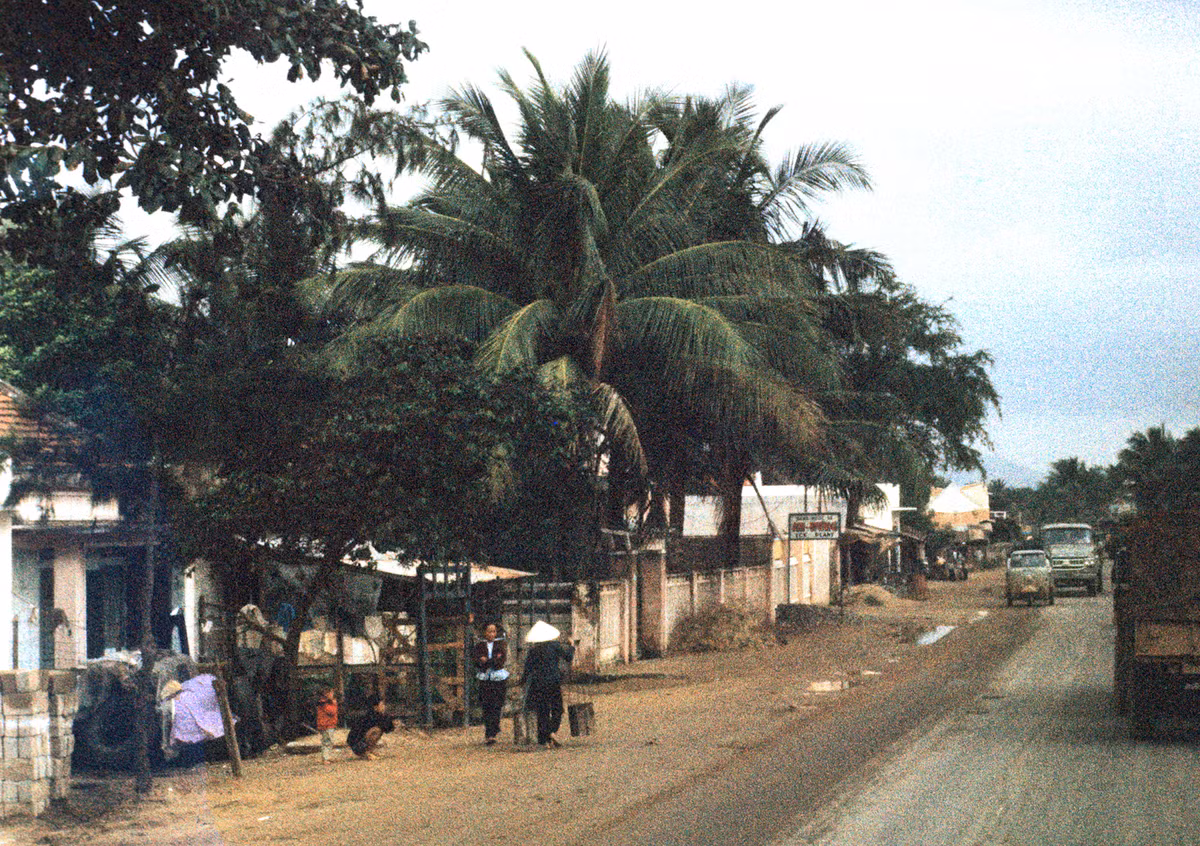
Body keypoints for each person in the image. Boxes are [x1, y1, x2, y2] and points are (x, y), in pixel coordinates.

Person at [522, 620, 575, 748]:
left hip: (538, 684)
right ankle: (552, 731)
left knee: (542, 710)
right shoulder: (555, 646)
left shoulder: (533, 650)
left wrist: (522, 683)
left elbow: (527, 670)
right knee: (557, 708)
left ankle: (544, 739)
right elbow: (568, 657)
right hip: (553, 681)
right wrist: (571, 645)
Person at [473, 622, 509, 745]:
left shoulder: (501, 645)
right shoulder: (479, 646)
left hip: (498, 679)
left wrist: (486, 661)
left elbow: (500, 662)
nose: (491, 634)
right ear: (485, 633)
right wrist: (491, 660)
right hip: (485, 679)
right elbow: (477, 661)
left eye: (494, 631)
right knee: (486, 705)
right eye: (489, 631)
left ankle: (493, 731)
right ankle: (489, 732)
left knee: (497, 705)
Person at [345, 693, 394, 760]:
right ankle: (366, 752)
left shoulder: (376, 715)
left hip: (359, 743)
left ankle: (369, 751)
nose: (384, 707)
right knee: (377, 730)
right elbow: (387, 728)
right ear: (375, 707)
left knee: (379, 729)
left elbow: (389, 729)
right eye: (381, 705)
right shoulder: (371, 716)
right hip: (357, 746)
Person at [316, 686, 339, 764]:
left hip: (329, 725)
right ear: (326, 694)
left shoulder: (325, 703)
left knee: (329, 741)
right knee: (327, 741)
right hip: (326, 725)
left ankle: (328, 757)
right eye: (331, 693)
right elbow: (332, 712)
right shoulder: (324, 703)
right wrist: (334, 703)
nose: (333, 694)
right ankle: (325, 758)